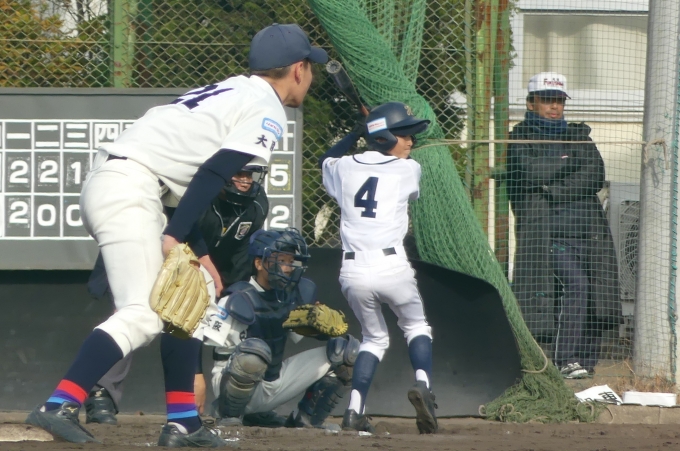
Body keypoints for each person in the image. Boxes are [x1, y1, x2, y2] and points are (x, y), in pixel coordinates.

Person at [25, 23, 327, 447]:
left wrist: (197, 252)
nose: (310, 75)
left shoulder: (230, 90)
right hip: (131, 189)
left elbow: (177, 176)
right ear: (298, 69)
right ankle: (60, 403)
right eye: (310, 66)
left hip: (127, 184)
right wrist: (175, 236)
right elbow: (215, 172)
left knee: (191, 297)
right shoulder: (266, 107)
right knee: (142, 314)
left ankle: (184, 422)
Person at [82, 166, 273, 426]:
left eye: (250, 175)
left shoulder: (257, 204)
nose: (244, 180)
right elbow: (175, 234)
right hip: (153, 248)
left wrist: (224, 296)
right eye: (238, 173)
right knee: (131, 313)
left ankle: (225, 403)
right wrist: (196, 373)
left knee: (219, 311)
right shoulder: (193, 190)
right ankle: (100, 394)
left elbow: (236, 262)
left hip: (199, 267)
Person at [319, 102, 438, 434]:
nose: (411, 141)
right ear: (384, 137)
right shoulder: (408, 170)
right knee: (416, 326)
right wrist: (370, 127)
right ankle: (424, 386)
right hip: (391, 265)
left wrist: (358, 131)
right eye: (404, 134)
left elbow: (325, 159)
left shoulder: (344, 167)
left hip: (353, 270)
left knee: (373, 339)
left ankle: (354, 410)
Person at [506, 72, 622, 379]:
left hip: (587, 232)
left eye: (559, 101)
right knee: (576, 285)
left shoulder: (579, 135)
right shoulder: (519, 136)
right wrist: (571, 160)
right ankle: (564, 359)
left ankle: (583, 359)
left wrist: (553, 188)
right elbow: (532, 172)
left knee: (593, 291)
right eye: (547, 100)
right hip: (548, 235)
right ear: (531, 103)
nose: (554, 107)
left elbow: (595, 175)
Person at [202, 228, 360, 430]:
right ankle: (229, 416)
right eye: (281, 260)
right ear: (259, 263)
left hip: (273, 381)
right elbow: (211, 343)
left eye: (291, 261)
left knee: (347, 352)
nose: (288, 267)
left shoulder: (293, 296)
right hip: (231, 385)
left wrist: (318, 328)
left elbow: (300, 333)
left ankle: (306, 419)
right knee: (253, 353)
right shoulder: (236, 299)